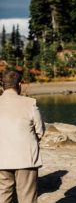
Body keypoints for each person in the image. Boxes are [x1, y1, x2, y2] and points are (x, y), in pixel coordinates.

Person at [0, 71, 45, 203]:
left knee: (3, 196)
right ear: (19, 84)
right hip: (25, 159)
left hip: (1, 160)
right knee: (27, 198)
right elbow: (40, 131)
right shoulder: (30, 103)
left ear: (3, 86)